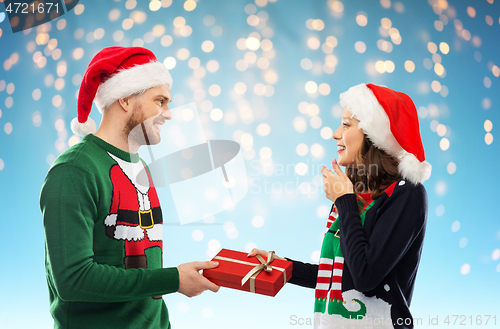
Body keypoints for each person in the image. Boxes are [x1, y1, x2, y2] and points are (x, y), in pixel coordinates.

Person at [40, 46, 219, 329]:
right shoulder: (74, 171)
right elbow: (73, 281)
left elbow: (143, 272)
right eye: (160, 101)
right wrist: (174, 279)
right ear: (124, 98)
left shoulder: (140, 168)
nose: (168, 114)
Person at [250, 83, 431, 329]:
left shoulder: (407, 194)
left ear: (372, 135)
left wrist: (343, 201)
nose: (335, 134)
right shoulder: (352, 194)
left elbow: (365, 276)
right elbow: (340, 277)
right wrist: (283, 267)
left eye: (346, 125)